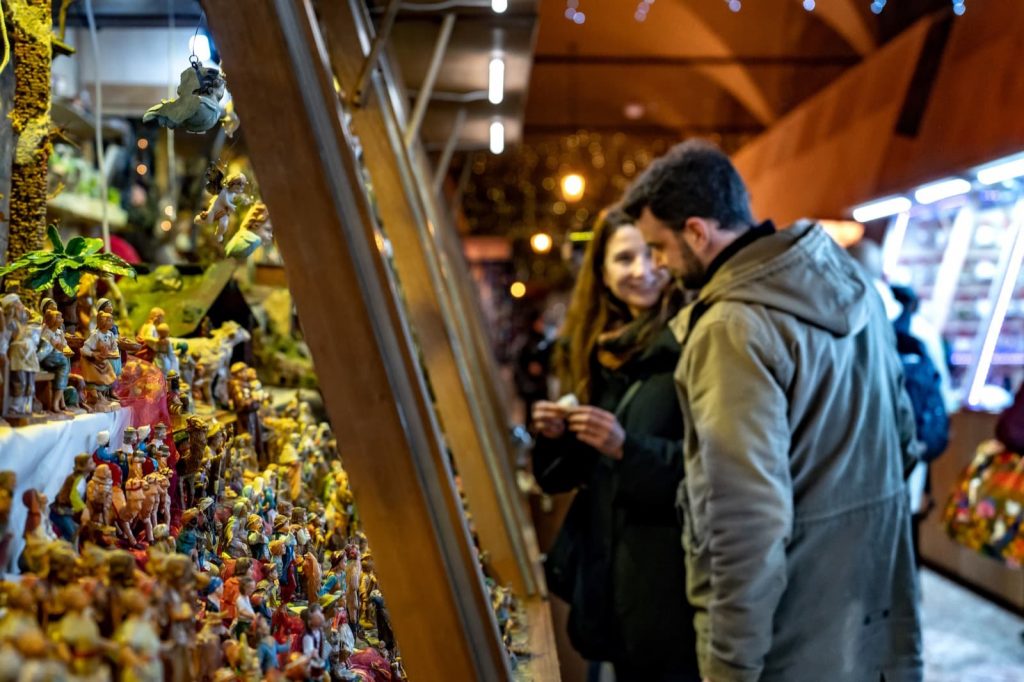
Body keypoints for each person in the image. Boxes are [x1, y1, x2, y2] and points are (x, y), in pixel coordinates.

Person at [622, 139, 922, 682]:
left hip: (794, 637)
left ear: (697, 231)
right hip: (874, 615)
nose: (660, 266)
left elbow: (741, 520)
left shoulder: (731, 328)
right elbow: (904, 441)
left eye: (659, 247)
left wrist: (729, 664)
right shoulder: (854, 287)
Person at [531, 209, 699, 681]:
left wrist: (627, 448)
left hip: (669, 582)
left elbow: (713, 470)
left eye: (652, 254)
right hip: (611, 573)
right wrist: (553, 438)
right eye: (625, 258)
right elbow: (568, 476)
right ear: (602, 273)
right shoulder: (597, 349)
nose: (642, 270)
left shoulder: (695, 343)